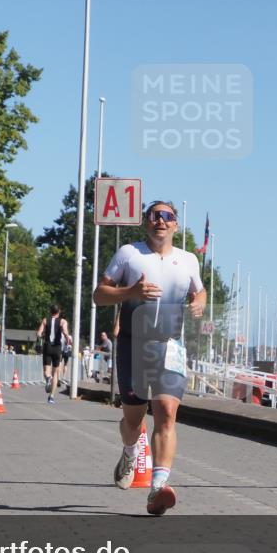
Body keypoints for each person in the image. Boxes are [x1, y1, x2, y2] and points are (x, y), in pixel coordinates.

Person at [93, 201, 205, 516]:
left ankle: (158, 487)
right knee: (133, 419)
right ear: (146, 222)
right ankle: (130, 450)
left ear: (176, 226)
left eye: (168, 216)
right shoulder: (129, 254)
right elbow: (99, 295)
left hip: (171, 345)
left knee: (167, 412)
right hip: (134, 346)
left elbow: (201, 290)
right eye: (155, 215)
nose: (161, 220)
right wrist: (131, 292)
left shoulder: (188, 260)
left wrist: (199, 301)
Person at [36, 304, 70, 404]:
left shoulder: (45, 320)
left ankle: (48, 378)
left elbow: (39, 333)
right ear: (59, 311)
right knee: (56, 373)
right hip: (57, 348)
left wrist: (41, 336)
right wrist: (67, 336)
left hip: (47, 347)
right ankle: (51, 396)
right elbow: (65, 331)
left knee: (46, 372)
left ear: (51, 311)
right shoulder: (63, 321)